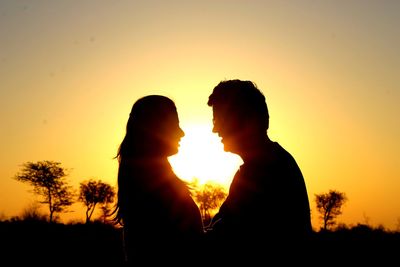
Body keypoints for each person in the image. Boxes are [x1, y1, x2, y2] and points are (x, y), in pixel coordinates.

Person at [206, 79, 312, 262]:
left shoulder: (268, 172)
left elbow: (228, 239)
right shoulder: (258, 168)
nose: (215, 129)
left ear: (248, 119)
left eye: (220, 119)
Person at [113, 95, 204, 265]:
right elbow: (184, 250)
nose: (182, 133)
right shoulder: (154, 189)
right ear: (155, 129)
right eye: (175, 125)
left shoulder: (142, 180)